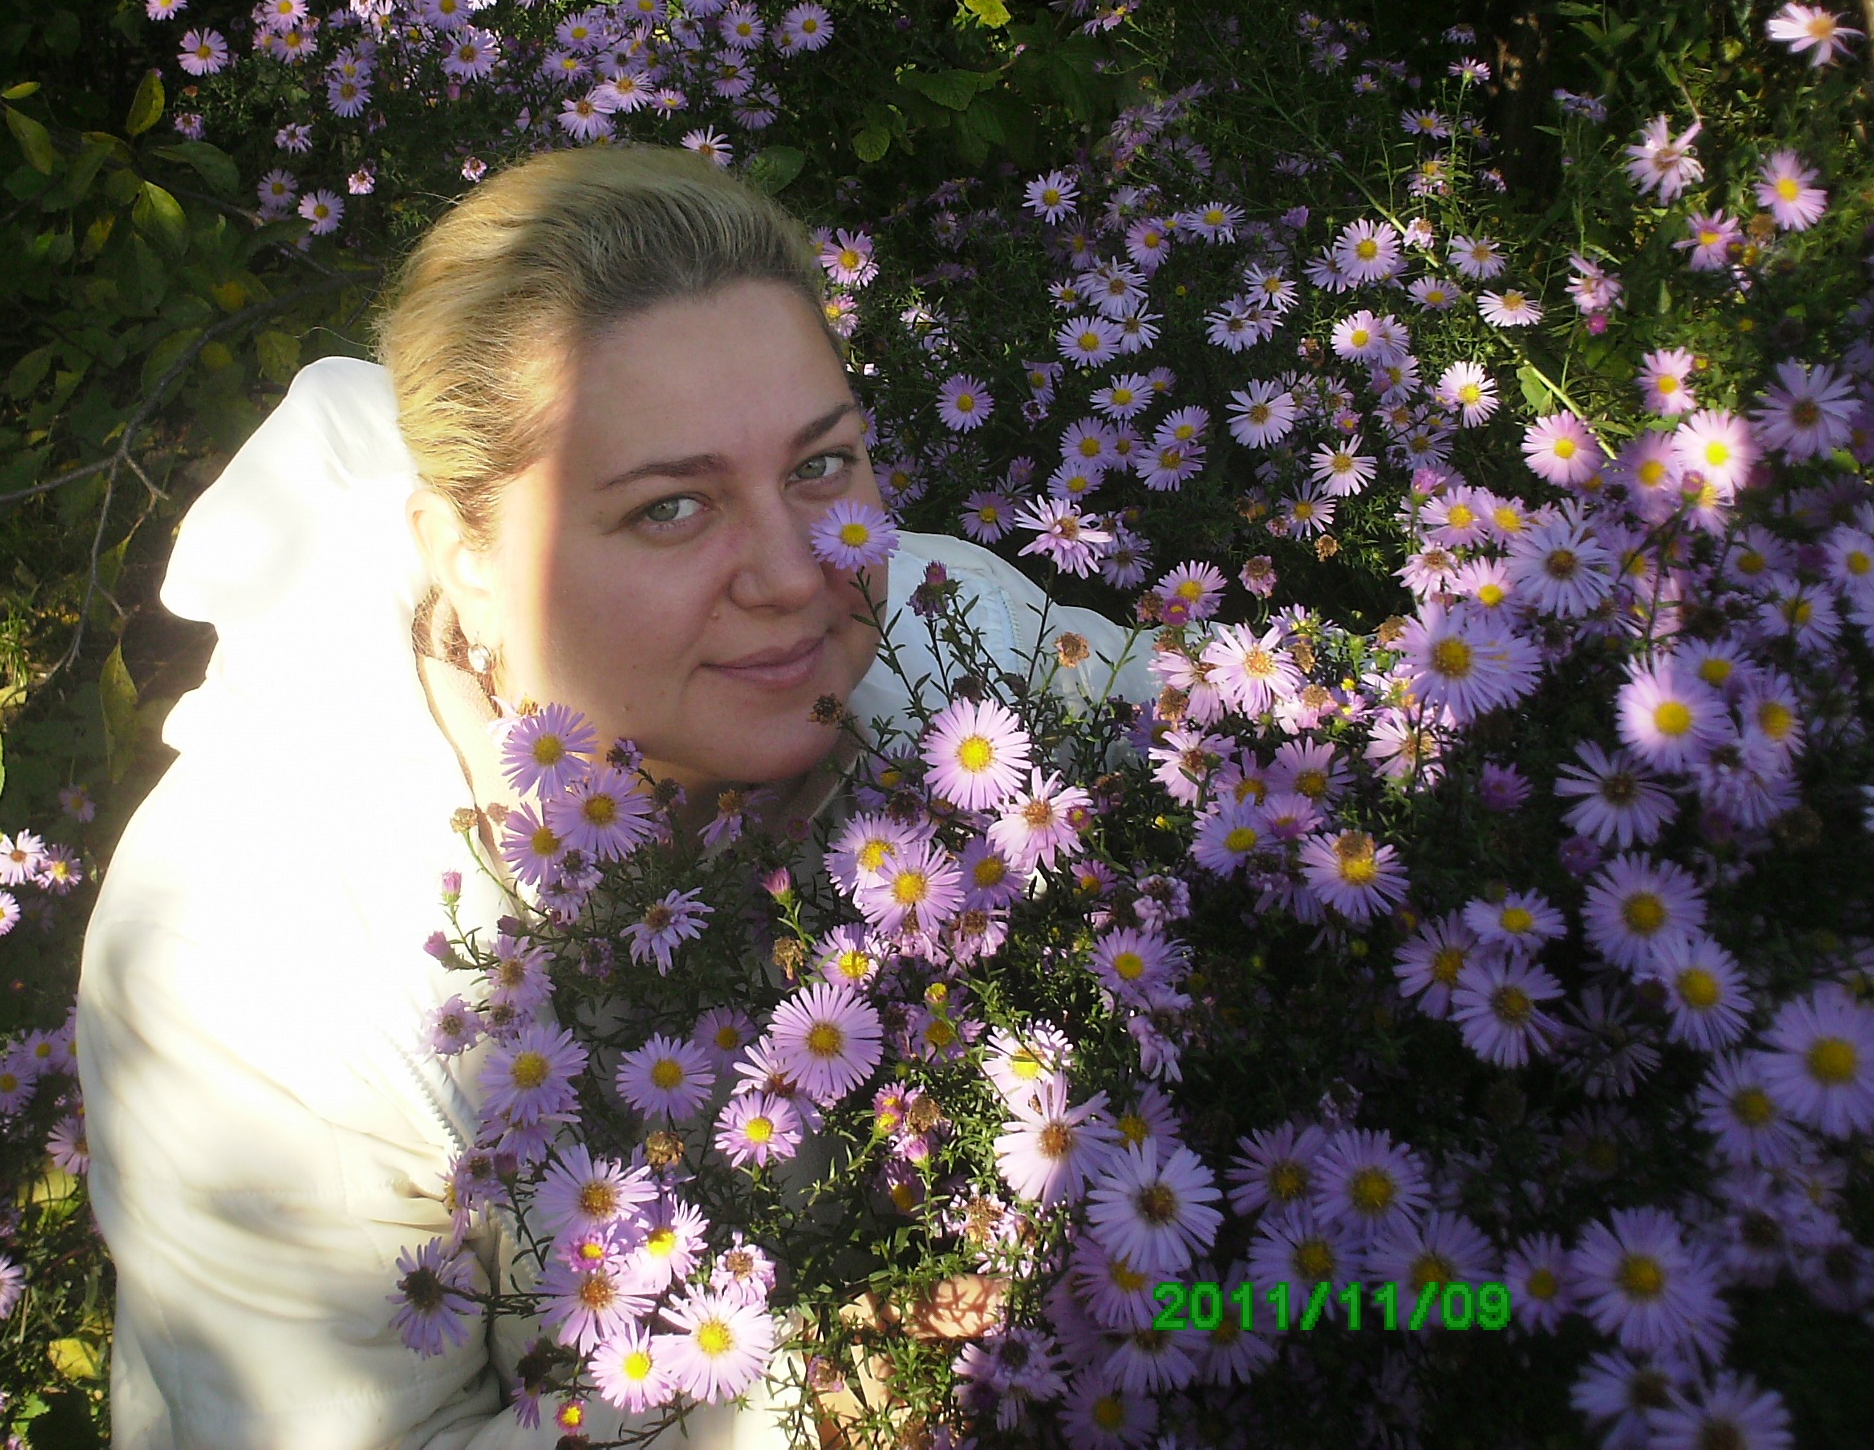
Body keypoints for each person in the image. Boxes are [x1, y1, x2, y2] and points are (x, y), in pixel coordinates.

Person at [75, 145, 1159, 1450]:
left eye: (822, 465)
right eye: (671, 508)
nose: (796, 574)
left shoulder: (944, 624)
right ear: (463, 557)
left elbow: (1218, 735)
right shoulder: (248, 956)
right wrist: (816, 1404)